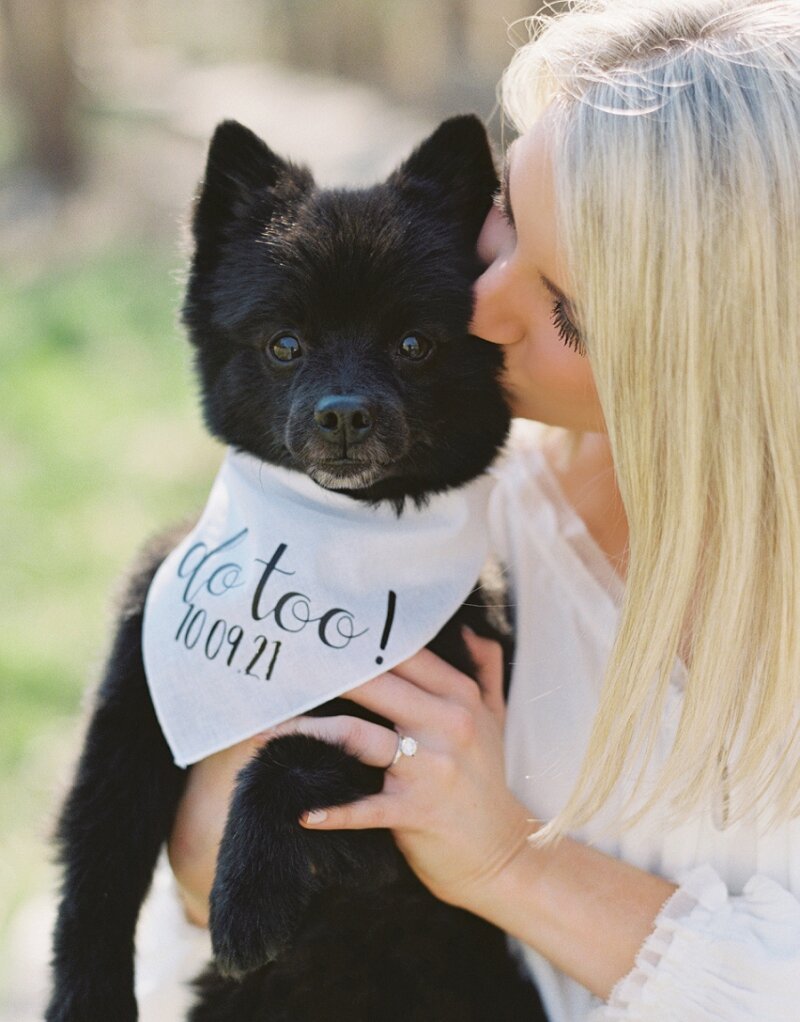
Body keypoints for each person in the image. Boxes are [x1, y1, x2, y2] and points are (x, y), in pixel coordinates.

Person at [164, 1, 800, 1019]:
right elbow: (202, 891)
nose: (478, 303)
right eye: (504, 221)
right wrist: (223, 813)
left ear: (714, 358)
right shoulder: (453, 495)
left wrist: (504, 859)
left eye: (563, 309)